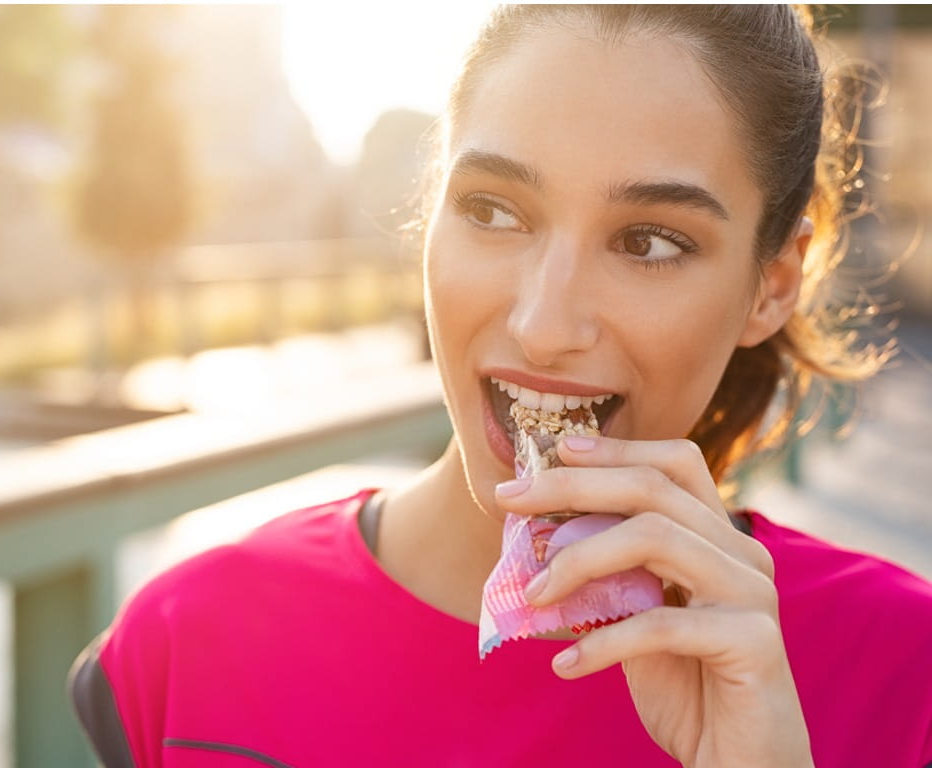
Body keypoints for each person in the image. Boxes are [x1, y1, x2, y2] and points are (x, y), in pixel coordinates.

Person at [70, 6, 932, 767]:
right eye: (492, 211)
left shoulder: (902, 675)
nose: (542, 323)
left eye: (649, 242)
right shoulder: (188, 645)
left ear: (773, 284)